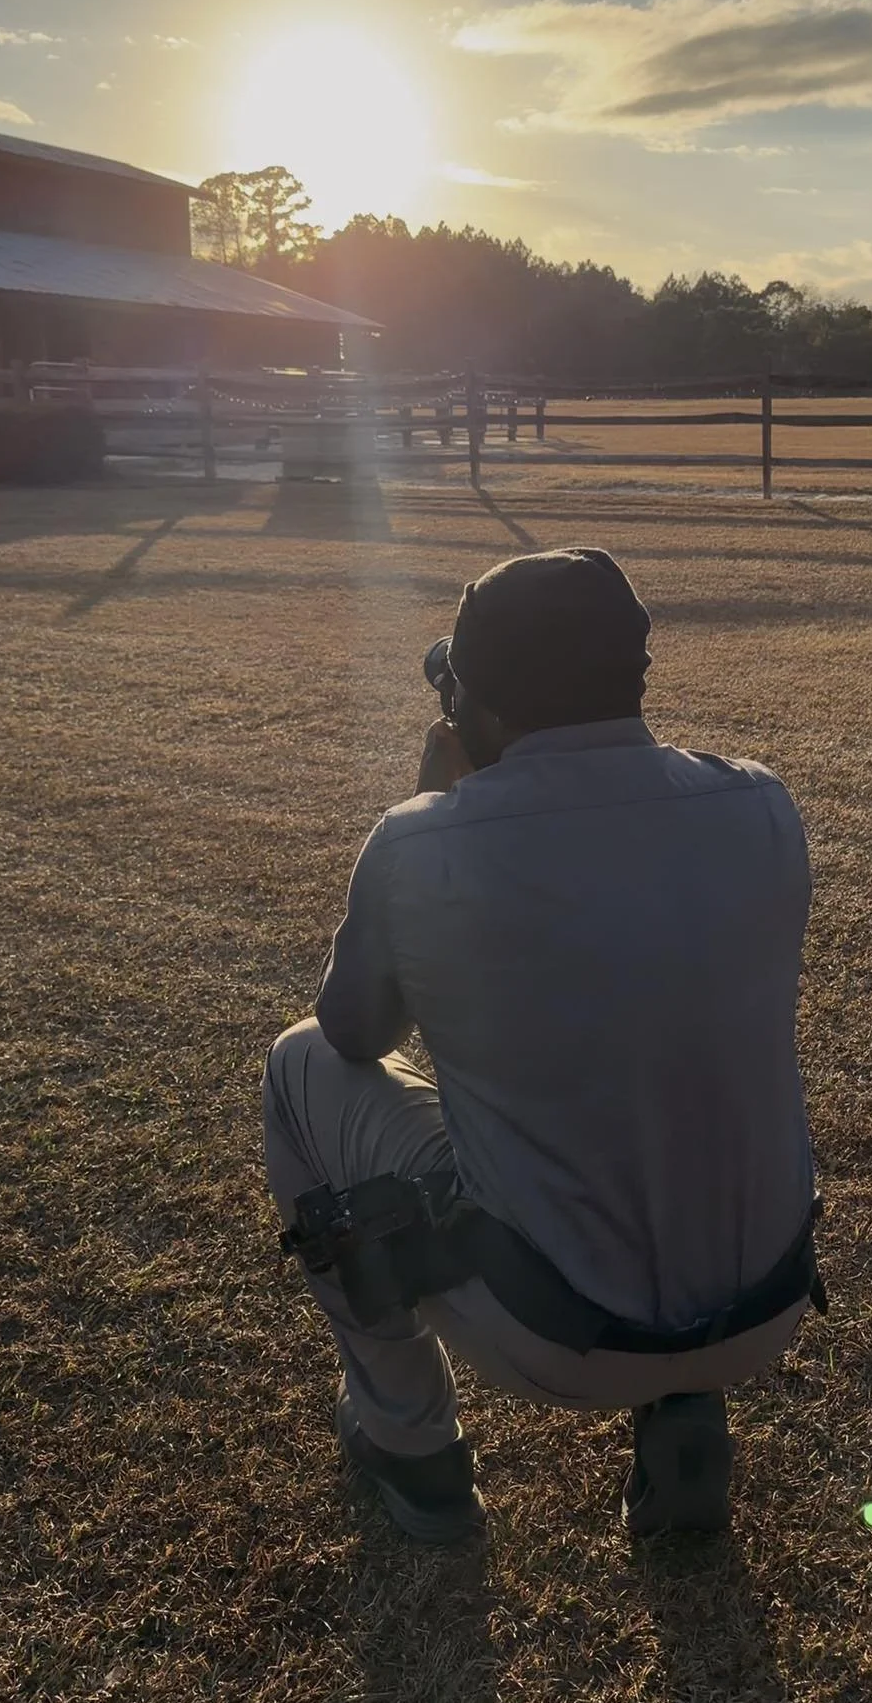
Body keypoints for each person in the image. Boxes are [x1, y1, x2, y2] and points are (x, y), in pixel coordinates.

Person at [263, 546, 821, 1544]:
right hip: (765, 1305)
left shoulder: (420, 840)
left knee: (296, 1060)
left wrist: (430, 796)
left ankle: (413, 1446)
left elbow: (355, 1030)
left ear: (469, 703)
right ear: (634, 674)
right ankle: (683, 1410)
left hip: (554, 1332)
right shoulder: (762, 802)